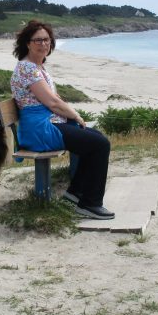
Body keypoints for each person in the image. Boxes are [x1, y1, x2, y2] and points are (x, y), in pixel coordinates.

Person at [10, 20, 114, 220]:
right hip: (40, 130)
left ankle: (75, 192)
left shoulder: (37, 67)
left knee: (96, 138)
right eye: (38, 40)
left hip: (47, 123)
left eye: (46, 39)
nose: (43, 44)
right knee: (100, 145)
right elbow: (52, 102)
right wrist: (75, 115)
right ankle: (90, 203)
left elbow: (53, 100)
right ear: (27, 43)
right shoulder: (27, 69)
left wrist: (70, 114)